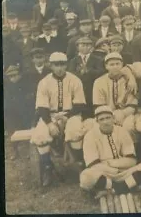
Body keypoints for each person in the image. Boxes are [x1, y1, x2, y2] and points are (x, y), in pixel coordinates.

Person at [31, 52, 90, 187]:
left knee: (75, 131)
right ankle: (47, 168)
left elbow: (80, 104)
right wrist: (50, 124)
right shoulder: (44, 82)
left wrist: (66, 117)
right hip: (49, 116)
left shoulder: (75, 80)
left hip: (71, 114)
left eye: (62, 64)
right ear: (50, 65)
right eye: (56, 65)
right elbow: (41, 106)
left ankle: (79, 165)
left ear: (66, 65)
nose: (59, 68)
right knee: (40, 135)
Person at [80, 105, 141, 197]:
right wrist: (114, 169)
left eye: (108, 118)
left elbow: (132, 161)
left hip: (125, 171)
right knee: (86, 176)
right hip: (105, 174)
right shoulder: (90, 136)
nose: (105, 122)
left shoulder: (122, 131)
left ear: (113, 119)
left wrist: (110, 163)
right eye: (101, 119)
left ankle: (113, 190)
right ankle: (125, 186)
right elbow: (93, 165)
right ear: (97, 121)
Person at [92, 52, 138, 125]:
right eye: (112, 64)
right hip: (105, 114)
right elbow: (99, 105)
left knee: (129, 126)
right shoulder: (99, 82)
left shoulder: (128, 80)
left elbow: (132, 106)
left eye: (117, 64)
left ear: (122, 65)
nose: (115, 67)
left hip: (126, 114)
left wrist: (122, 113)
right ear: (106, 66)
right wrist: (111, 116)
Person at [68, 37, 105, 118]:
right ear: (77, 47)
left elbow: (101, 73)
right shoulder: (73, 61)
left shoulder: (98, 59)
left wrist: (88, 70)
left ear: (91, 47)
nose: (85, 47)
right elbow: (70, 74)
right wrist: (80, 73)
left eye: (88, 45)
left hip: (92, 90)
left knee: (92, 114)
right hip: (78, 91)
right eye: (83, 45)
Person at [4, 64, 35, 159]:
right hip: (12, 112)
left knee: (27, 127)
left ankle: (28, 150)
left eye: (14, 75)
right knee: (11, 128)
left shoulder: (25, 83)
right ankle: (15, 151)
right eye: (10, 76)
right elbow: (6, 101)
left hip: (25, 111)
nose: (13, 78)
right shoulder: (7, 86)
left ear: (19, 74)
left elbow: (30, 98)